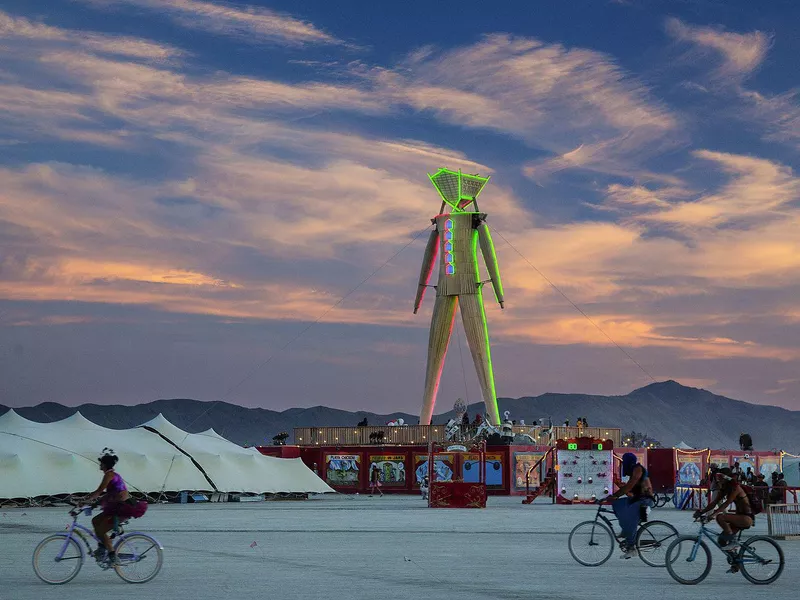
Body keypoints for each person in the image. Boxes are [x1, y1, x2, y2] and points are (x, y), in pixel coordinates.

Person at [84, 448, 147, 563]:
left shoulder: (109, 475)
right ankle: (102, 548)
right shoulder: (113, 475)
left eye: (101, 463)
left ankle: (112, 555)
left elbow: (99, 491)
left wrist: (84, 501)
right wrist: (94, 504)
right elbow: (108, 494)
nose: (100, 465)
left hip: (122, 508)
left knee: (102, 531)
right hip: (117, 506)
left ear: (104, 464)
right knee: (95, 521)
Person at [605, 452, 653, 559]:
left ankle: (632, 548)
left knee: (630, 518)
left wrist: (617, 494)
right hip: (637, 498)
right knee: (618, 504)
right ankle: (625, 529)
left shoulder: (638, 469)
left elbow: (631, 484)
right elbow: (630, 488)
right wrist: (618, 494)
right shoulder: (634, 470)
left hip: (645, 500)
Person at [693, 467, 752, 548]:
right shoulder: (725, 488)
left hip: (746, 518)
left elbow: (726, 504)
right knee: (722, 541)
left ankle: (732, 541)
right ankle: (734, 557)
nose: (719, 480)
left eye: (721, 478)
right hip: (739, 518)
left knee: (720, 517)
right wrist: (701, 512)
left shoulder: (736, 488)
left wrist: (712, 515)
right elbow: (714, 503)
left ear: (726, 478)